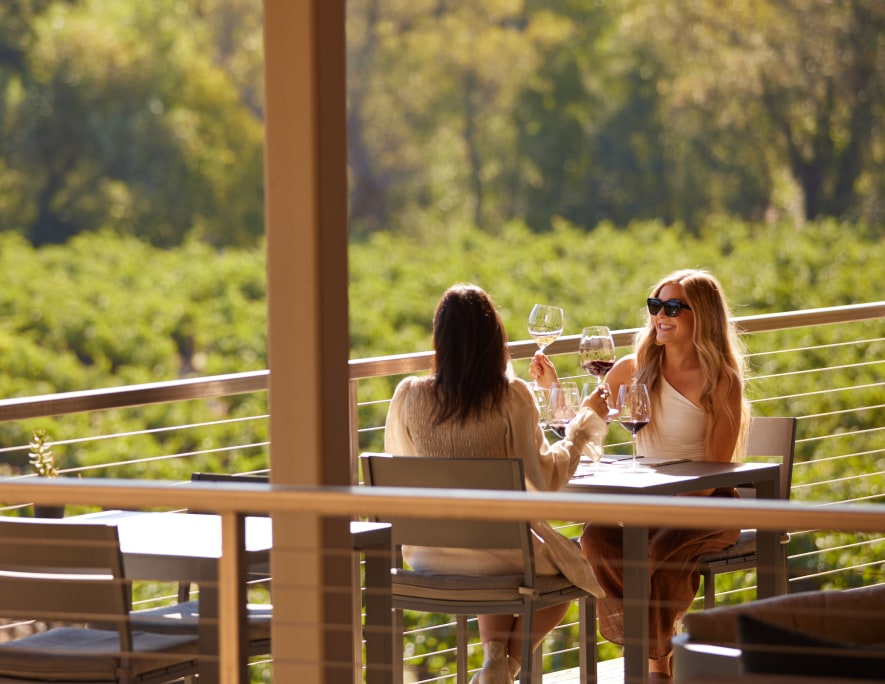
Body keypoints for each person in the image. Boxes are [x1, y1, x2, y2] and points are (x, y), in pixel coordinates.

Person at [530, 268, 749, 681]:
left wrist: (662, 511)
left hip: (707, 504)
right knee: (596, 538)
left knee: (654, 552)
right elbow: (582, 423)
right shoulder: (635, 368)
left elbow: (716, 471)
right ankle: (661, 647)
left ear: (701, 316)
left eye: (672, 307)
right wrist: (551, 386)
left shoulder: (722, 380)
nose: (660, 316)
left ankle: (653, 665)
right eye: (655, 306)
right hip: (648, 504)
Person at [384, 283, 609, 684]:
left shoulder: (407, 396)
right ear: (496, 338)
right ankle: (505, 669)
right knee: (572, 568)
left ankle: (492, 659)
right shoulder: (511, 397)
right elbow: (544, 480)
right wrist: (580, 430)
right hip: (502, 554)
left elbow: (400, 474)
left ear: (440, 338)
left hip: (427, 556)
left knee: (497, 551)